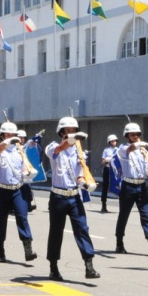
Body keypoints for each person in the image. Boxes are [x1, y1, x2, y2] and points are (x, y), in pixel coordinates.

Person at [45, 116, 100, 281]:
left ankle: (89, 266)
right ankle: (53, 267)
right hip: (58, 197)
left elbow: (79, 174)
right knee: (56, 233)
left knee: (83, 229)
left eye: (73, 131)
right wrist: (72, 140)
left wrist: (85, 183)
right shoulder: (53, 147)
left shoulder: (79, 152)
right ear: (61, 132)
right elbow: (60, 148)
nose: (71, 134)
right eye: (68, 131)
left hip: (74, 196)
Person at [0, 121, 37, 262]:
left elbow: (24, 167)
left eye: (13, 134)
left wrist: (28, 172)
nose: (12, 136)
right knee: (0, 219)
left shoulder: (19, 150)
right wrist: (8, 142)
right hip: (1, 189)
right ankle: (0, 250)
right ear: (2, 135)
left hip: (18, 188)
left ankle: (28, 250)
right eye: (8, 134)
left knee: (22, 217)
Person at [114, 122, 148, 255]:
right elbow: (129, 149)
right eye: (132, 134)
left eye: (137, 134)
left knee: (146, 215)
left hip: (141, 185)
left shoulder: (143, 151)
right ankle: (119, 242)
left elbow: (146, 168)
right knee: (124, 215)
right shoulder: (122, 149)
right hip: (128, 186)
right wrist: (137, 145)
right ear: (127, 136)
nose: (135, 136)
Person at [16, 130, 37, 213]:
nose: (21, 139)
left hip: (25, 171)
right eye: (20, 138)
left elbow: (30, 148)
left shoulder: (24, 147)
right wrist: (29, 142)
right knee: (17, 191)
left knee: (27, 189)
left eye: (23, 138)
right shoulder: (13, 147)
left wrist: (33, 141)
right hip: (16, 172)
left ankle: (28, 205)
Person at [100, 134, 118, 213]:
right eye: (113, 141)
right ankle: (104, 205)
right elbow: (103, 162)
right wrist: (107, 159)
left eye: (115, 141)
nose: (115, 142)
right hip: (107, 169)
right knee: (105, 187)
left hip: (115, 170)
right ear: (110, 142)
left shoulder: (118, 150)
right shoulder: (106, 150)